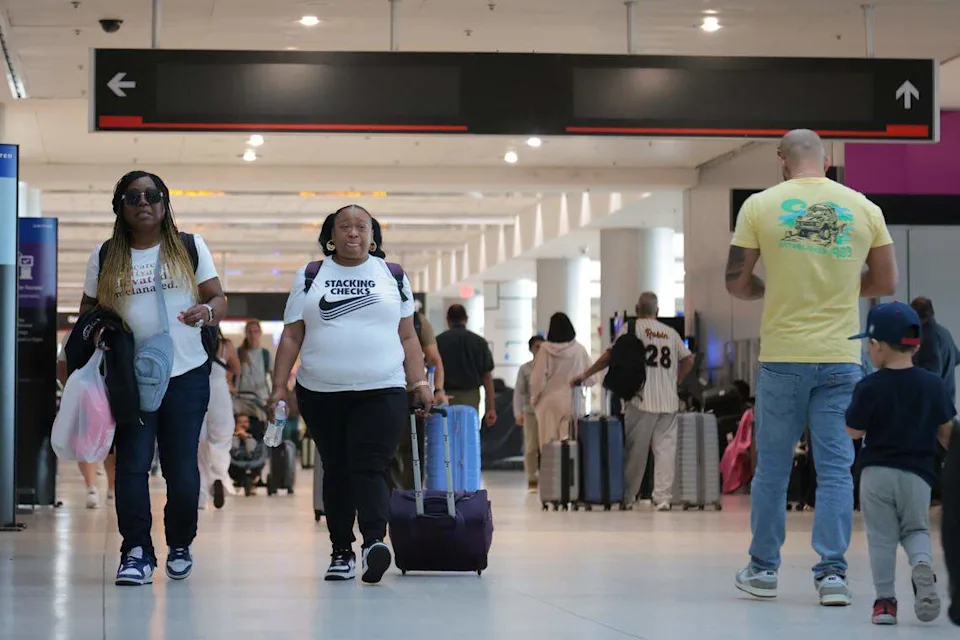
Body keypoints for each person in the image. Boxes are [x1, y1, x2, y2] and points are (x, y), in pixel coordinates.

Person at [726, 129, 897, 606]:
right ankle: (833, 577)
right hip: (842, 357)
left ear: (782, 160)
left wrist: (771, 289)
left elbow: (736, 283)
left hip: (783, 357)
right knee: (837, 469)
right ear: (828, 160)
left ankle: (763, 570)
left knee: (773, 469)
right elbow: (886, 279)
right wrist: (842, 291)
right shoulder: (864, 208)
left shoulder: (760, 206)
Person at [269, 204, 433, 585]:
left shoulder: (392, 275)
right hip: (321, 391)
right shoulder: (311, 275)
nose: (353, 233)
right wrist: (278, 387)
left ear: (373, 236)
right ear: (331, 235)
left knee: (371, 465)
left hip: (383, 389)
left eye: (362, 226)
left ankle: (374, 542)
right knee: (337, 469)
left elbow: (407, 335)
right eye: (345, 226)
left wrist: (420, 383)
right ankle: (341, 549)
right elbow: (292, 335)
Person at [79, 170, 226, 586]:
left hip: (186, 373)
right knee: (131, 466)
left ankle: (179, 542)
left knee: (182, 471)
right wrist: (100, 330)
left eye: (152, 195)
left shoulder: (190, 247)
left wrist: (209, 311)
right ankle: (137, 550)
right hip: (131, 379)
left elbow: (218, 295)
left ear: (164, 203)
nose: (143, 202)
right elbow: (88, 309)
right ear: (120, 207)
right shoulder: (106, 256)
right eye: (132, 196)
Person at [845, 302, 955, 625]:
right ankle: (921, 564)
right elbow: (947, 432)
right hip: (917, 477)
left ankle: (884, 604)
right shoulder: (932, 385)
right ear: (916, 344)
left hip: (876, 475)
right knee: (916, 529)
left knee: (881, 538)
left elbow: (853, 429)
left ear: (877, 347)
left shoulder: (869, 386)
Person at [572, 292, 693, 511]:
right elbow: (688, 359)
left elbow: (610, 355)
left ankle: (628, 496)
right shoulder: (671, 333)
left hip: (641, 398)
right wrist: (676, 380)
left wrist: (585, 374)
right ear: (657, 310)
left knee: (635, 450)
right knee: (665, 449)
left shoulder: (632, 327)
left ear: (637, 309)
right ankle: (662, 498)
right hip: (668, 400)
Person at [58, 336, 116, 509]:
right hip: (112, 394)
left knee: (85, 441)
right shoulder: (115, 329)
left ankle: (91, 488)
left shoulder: (73, 334)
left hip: (83, 398)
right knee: (110, 442)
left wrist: (71, 388)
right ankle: (112, 490)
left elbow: (62, 367)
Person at [530, 313, 593, 447]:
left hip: (550, 402)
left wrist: (535, 399)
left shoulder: (545, 350)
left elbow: (537, 380)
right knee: (573, 444)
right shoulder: (579, 349)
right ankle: (571, 468)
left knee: (548, 445)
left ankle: (552, 468)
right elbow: (592, 378)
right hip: (574, 402)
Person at [198, 329, 241, 510]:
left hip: (198, 391)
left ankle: (200, 494)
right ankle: (218, 476)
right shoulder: (226, 345)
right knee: (221, 439)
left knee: (198, 442)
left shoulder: (196, 341)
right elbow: (237, 368)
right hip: (220, 392)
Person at [436, 304, 497, 425]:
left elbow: (432, 370)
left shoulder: (438, 341)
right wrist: (491, 408)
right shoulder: (479, 342)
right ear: (466, 319)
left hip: (444, 396)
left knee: (446, 434)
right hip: (471, 396)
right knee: (468, 433)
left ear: (448, 319)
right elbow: (487, 376)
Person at [910, 297, 960, 400]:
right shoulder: (944, 332)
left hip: (934, 406)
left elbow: (930, 374)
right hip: (947, 402)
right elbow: (957, 358)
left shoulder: (927, 336)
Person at [513, 335, 545, 492]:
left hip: (547, 412)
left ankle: (547, 478)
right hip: (530, 412)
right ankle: (532, 479)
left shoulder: (550, 367)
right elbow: (518, 392)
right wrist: (518, 413)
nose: (539, 350)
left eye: (542, 346)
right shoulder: (525, 368)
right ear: (531, 349)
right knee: (531, 446)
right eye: (537, 347)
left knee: (547, 445)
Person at [237, 320, 272, 404]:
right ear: (245, 333)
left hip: (263, 398)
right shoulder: (238, 353)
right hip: (243, 398)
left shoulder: (265, 354)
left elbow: (273, 375)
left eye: (255, 332)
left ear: (260, 333)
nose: (252, 335)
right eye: (249, 332)